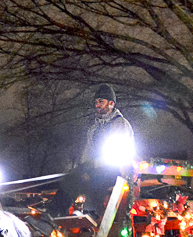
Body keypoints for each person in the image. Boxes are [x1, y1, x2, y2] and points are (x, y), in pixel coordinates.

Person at [47, 84, 135, 217]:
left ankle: (93, 213)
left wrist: (94, 165)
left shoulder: (120, 124)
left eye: (101, 102)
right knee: (72, 179)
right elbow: (87, 153)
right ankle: (54, 214)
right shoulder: (94, 129)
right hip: (96, 169)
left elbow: (120, 153)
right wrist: (81, 167)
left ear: (111, 104)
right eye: (96, 102)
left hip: (116, 170)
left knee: (95, 177)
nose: (97, 105)